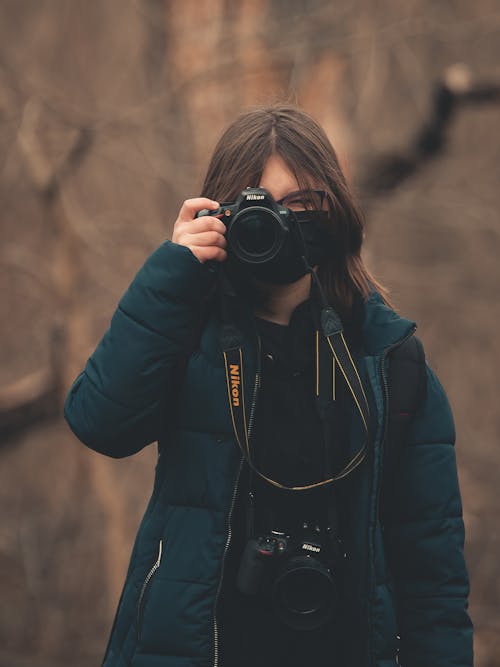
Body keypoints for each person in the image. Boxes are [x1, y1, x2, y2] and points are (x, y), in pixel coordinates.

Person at [64, 105, 473, 667]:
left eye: (301, 204)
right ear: (219, 214)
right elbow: (99, 422)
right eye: (257, 205)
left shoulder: (389, 361)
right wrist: (173, 272)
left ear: (335, 212)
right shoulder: (189, 337)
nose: (280, 222)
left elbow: (435, 574)